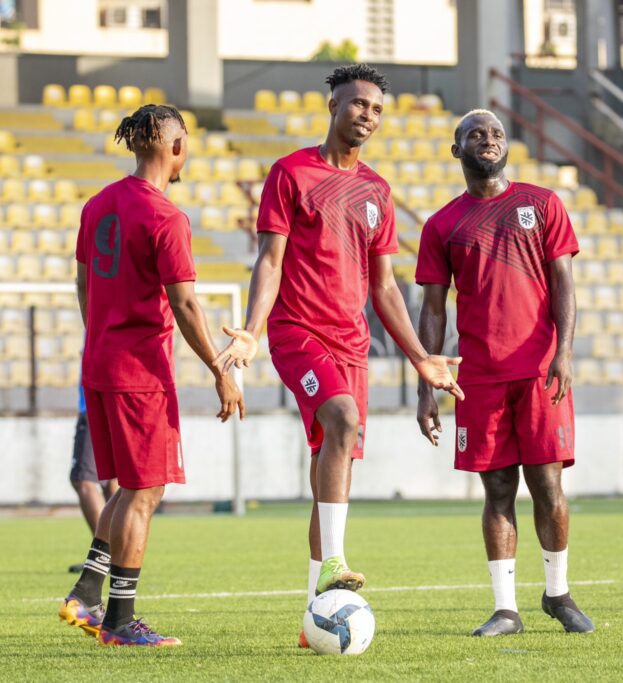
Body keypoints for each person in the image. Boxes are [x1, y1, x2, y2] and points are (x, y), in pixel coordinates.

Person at [218, 64, 464, 647]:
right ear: (332, 106)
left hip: (351, 344)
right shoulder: (290, 173)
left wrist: (423, 358)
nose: (367, 116)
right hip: (297, 332)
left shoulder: (377, 192)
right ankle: (335, 564)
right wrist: (252, 331)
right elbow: (270, 261)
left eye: (377, 109)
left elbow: (384, 288)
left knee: (336, 464)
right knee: (345, 422)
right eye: (358, 104)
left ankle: (315, 612)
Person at [58, 104, 245, 647]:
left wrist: (102, 336)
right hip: (139, 371)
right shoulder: (166, 216)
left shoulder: (97, 205)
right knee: (145, 491)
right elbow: (185, 306)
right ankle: (119, 623)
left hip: (99, 364)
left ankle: (88, 593)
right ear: (175, 147)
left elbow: (83, 284)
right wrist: (220, 370)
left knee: (127, 488)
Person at [414, 110, 594, 636]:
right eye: (475, 134)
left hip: (540, 370)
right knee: (497, 491)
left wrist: (563, 351)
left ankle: (557, 594)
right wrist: (429, 384)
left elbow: (564, 283)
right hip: (480, 377)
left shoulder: (541, 204)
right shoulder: (442, 224)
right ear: (457, 151)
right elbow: (432, 309)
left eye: (495, 133)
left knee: (548, 487)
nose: (487, 140)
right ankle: (506, 609)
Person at [68, 378, 119, 574]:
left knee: (83, 480)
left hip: (95, 402)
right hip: (114, 403)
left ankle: (103, 556)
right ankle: (119, 554)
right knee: (112, 480)